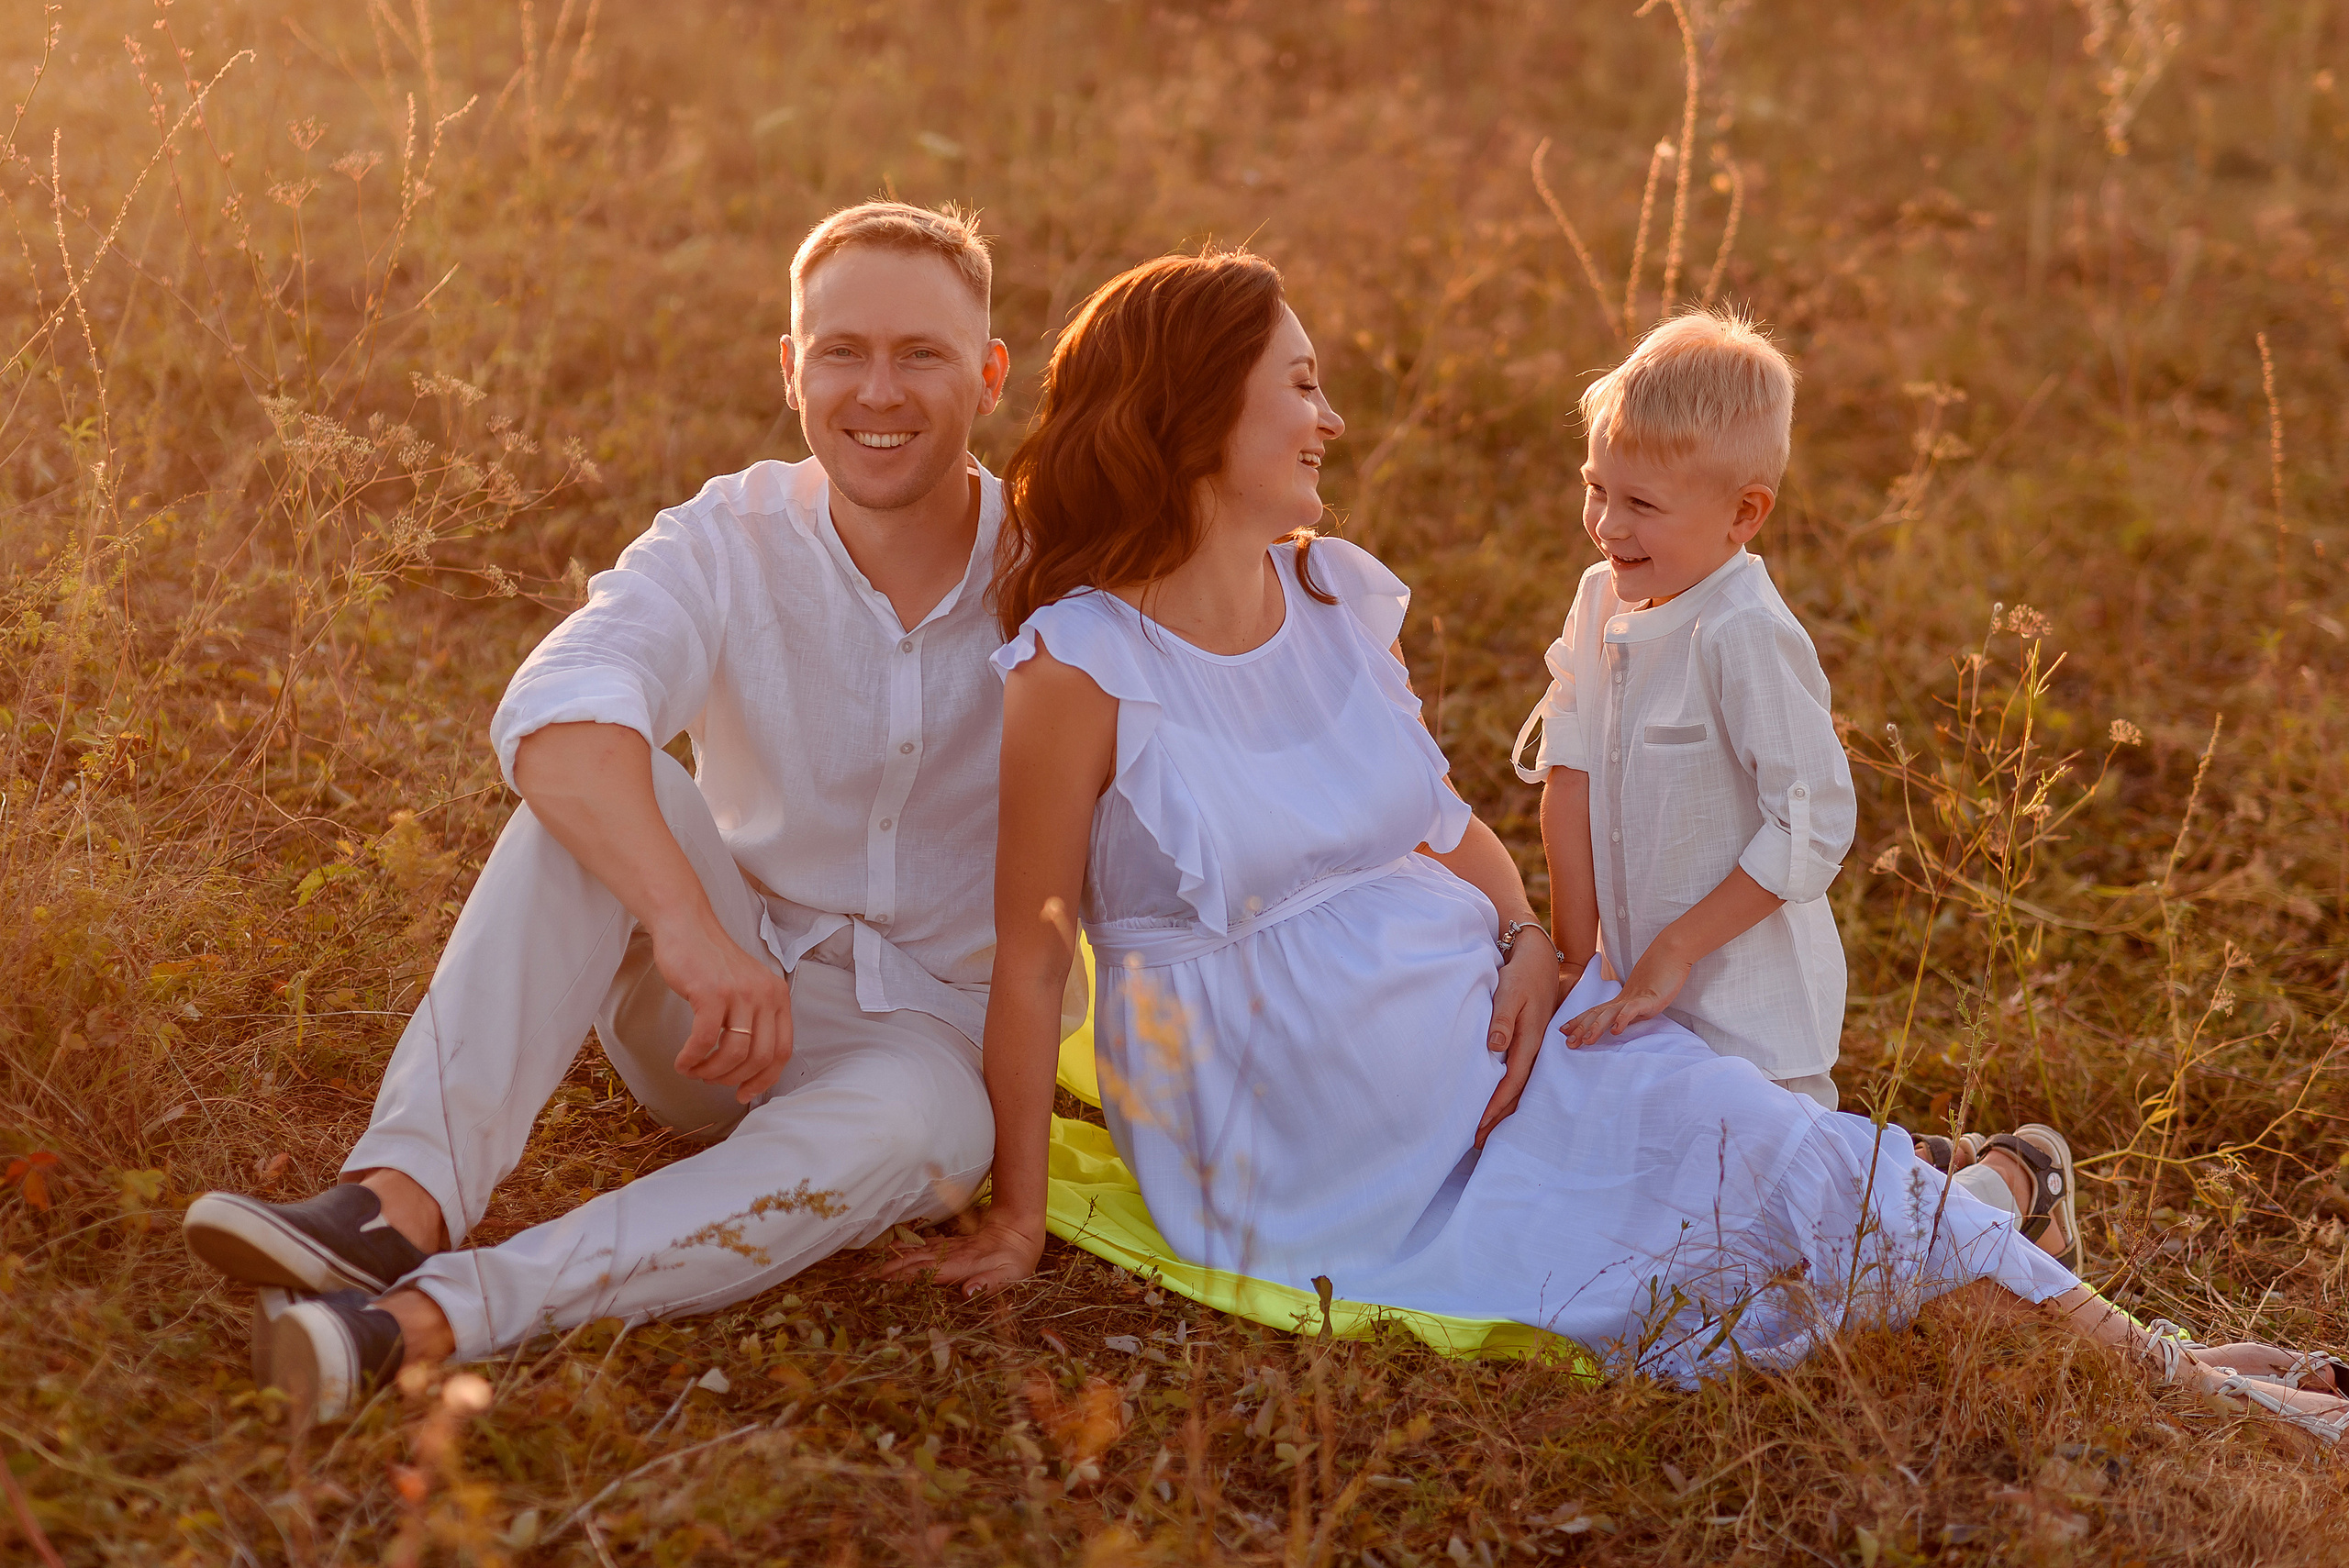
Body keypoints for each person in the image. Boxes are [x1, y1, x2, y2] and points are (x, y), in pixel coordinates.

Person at [887, 249, 2349, 1445]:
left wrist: (1533, 943)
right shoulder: (1077, 668)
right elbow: (1032, 958)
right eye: (1304, 385)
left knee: (1791, 1182)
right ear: (1203, 413)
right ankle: (2197, 1370)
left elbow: (1449, 829)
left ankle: (2203, 1374)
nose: (1331, 418)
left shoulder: (1331, 594)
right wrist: (1020, 1216)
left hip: (1499, 1031)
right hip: (1306, 1147)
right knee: (1780, 1194)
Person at [183, 200, 1018, 1426]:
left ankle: (431, 1317)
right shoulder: (726, 538)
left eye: (921, 353)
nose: (875, 390)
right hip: (716, 1012)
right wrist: (689, 928)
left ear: (989, 376)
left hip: (928, 1043)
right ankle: (394, 1205)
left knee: (917, 1127)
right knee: (590, 788)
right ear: (793, 371)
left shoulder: (1058, 573)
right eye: (841, 350)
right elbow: (559, 706)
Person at [1514, 309, 1854, 1115]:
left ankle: (1994, 1182)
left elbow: (1811, 824)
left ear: (1744, 514)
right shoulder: (1599, 600)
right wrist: (1573, 956)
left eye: (1642, 503)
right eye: (1597, 488)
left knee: (1772, 1210)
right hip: (1630, 991)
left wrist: (1673, 951)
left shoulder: (1744, 632)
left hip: (1748, 1016)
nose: (1608, 525)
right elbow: (1571, 775)